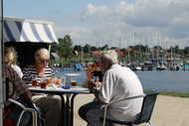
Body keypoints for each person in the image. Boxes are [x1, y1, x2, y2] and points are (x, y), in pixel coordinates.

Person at [79, 50, 144, 126]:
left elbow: (104, 100)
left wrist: (93, 89)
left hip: (122, 115)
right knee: (95, 108)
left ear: (106, 63)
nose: (100, 66)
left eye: (100, 63)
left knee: (84, 111)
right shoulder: (127, 70)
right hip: (137, 114)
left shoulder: (110, 72)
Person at [22, 48, 62, 126]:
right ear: (36, 59)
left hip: (48, 95)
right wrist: (44, 83)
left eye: (47, 61)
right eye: (42, 61)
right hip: (33, 97)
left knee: (64, 103)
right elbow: (24, 86)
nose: (45, 63)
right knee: (56, 102)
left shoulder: (49, 70)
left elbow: (54, 84)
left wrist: (57, 82)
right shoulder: (28, 70)